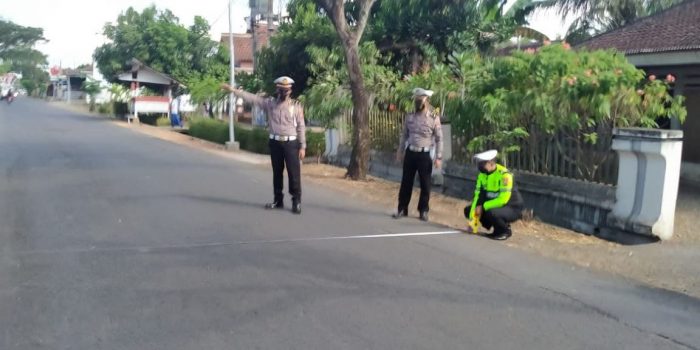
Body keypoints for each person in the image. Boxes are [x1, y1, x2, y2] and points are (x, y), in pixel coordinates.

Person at [221, 76, 306, 214]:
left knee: (293, 173)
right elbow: (252, 98)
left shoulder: (295, 106)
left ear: (290, 91)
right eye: (282, 90)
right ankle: (278, 200)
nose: (284, 93)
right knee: (277, 173)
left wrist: (302, 146)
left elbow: (301, 127)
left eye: (287, 90)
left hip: (291, 143)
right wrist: (233, 90)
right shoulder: (269, 103)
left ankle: (296, 201)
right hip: (275, 142)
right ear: (277, 90)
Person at [393, 88, 443, 222]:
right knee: (406, 183)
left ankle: (423, 211)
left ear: (426, 101)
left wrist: (438, 157)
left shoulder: (433, 117)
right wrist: (400, 151)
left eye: (420, 99)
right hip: (410, 153)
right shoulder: (410, 115)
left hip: (424, 154)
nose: (418, 102)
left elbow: (439, 138)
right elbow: (404, 135)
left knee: (425, 184)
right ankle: (402, 209)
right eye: (416, 99)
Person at [465, 150, 524, 240]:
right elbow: (477, 197)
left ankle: (505, 231)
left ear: (491, 163)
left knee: (490, 211)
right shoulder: (482, 175)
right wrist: (473, 220)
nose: (479, 166)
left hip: (512, 207)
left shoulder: (505, 175)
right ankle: (497, 229)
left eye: (482, 163)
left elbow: (503, 199)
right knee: (469, 210)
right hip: (495, 206)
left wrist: (483, 206)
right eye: (479, 163)